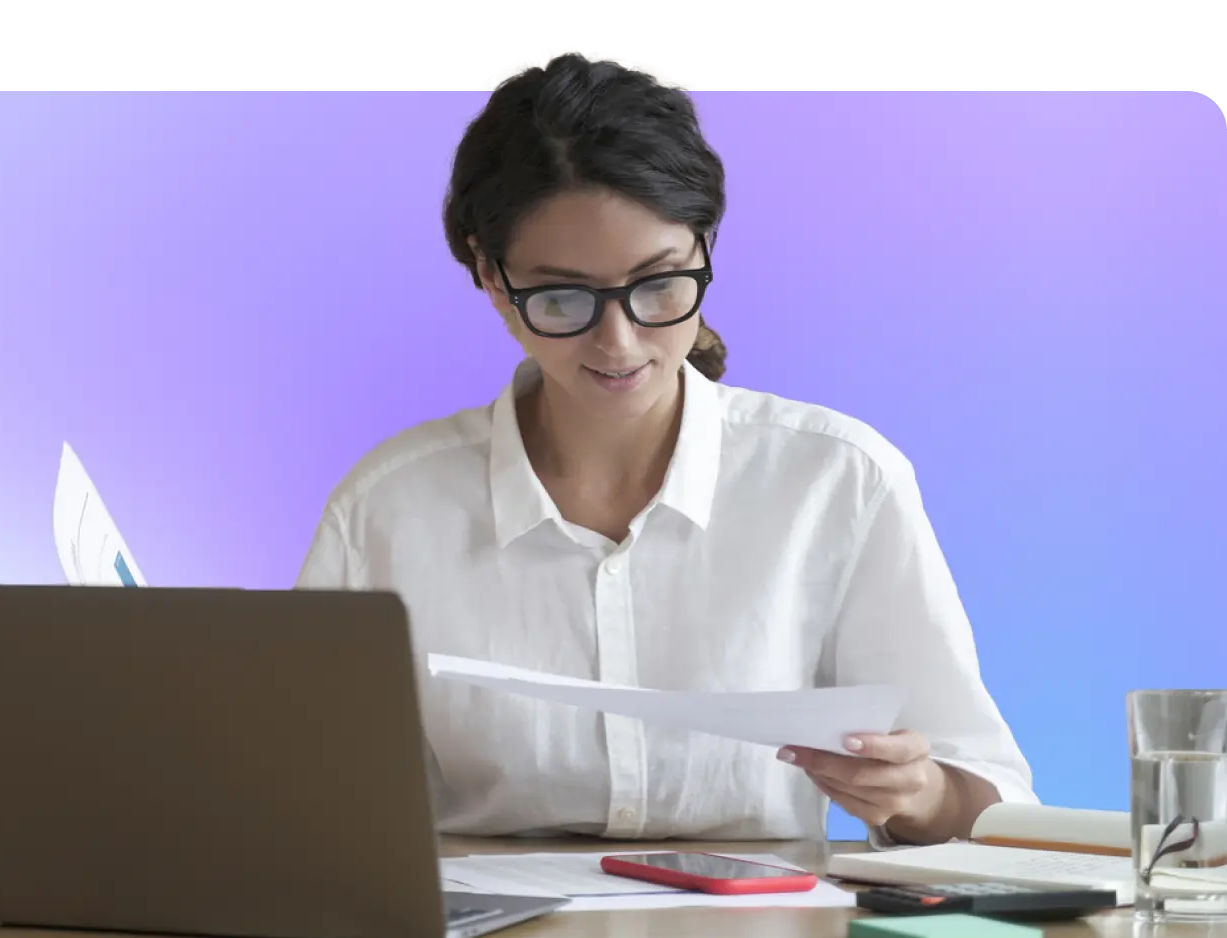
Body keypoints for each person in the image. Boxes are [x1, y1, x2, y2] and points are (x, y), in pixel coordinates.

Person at [297, 50, 1037, 846]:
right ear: (490, 275)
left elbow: (992, 809)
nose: (618, 342)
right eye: (562, 297)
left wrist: (916, 793)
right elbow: (302, 800)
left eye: (658, 285)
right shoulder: (388, 508)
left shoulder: (838, 482)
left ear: (705, 245)